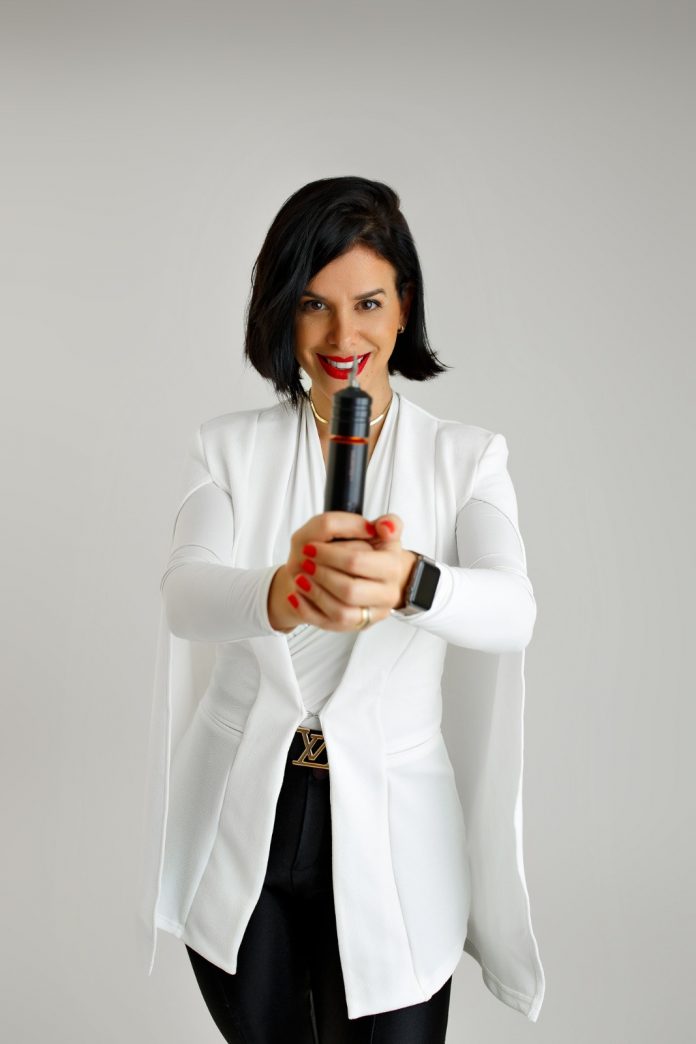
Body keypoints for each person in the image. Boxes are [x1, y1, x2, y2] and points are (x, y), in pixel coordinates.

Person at [136, 176, 545, 1043]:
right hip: (242, 824)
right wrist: (278, 592)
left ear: (405, 308)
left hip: (395, 834)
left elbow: (514, 611)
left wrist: (410, 583)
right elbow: (184, 593)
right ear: (282, 314)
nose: (341, 336)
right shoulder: (226, 448)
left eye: (367, 303)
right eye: (313, 305)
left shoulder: (466, 458)